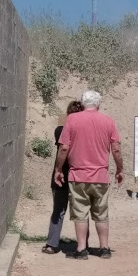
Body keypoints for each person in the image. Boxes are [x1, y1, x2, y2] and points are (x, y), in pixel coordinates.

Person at [54, 90, 124, 260]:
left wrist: (58, 169)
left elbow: (64, 148)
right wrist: (120, 169)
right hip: (101, 176)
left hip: (78, 176)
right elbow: (116, 149)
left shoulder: (72, 120)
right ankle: (105, 248)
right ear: (98, 103)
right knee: (101, 213)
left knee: (80, 213)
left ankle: (81, 249)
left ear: (83, 103)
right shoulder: (108, 121)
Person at [42, 101, 84, 254]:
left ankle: (52, 244)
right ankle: (83, 245)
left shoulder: (60, 130)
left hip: (61, 176)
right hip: (79, 176)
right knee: (81, 212)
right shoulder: (83, 132)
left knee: (58, 210)